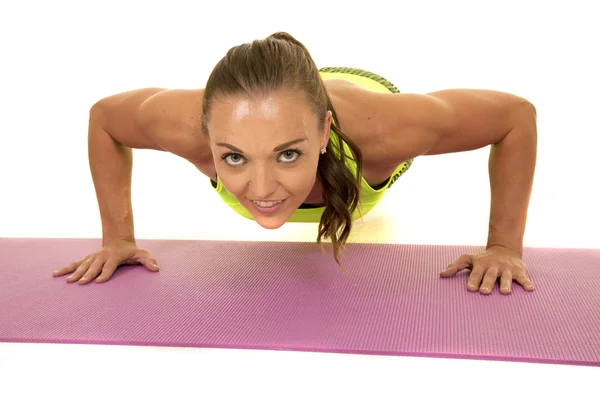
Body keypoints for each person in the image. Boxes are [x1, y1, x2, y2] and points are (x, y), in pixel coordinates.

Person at [52, 32, 537, 295]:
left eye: (288, 154)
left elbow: (515, 117)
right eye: (235, 157)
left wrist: (504, 246)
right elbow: (105, 120)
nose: (262, 187)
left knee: (296, 120)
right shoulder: (187, 128)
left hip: (357, 96)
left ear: (324, 133)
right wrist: (117, 237)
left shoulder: (387, 131)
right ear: (209, 138)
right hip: (278, 102)